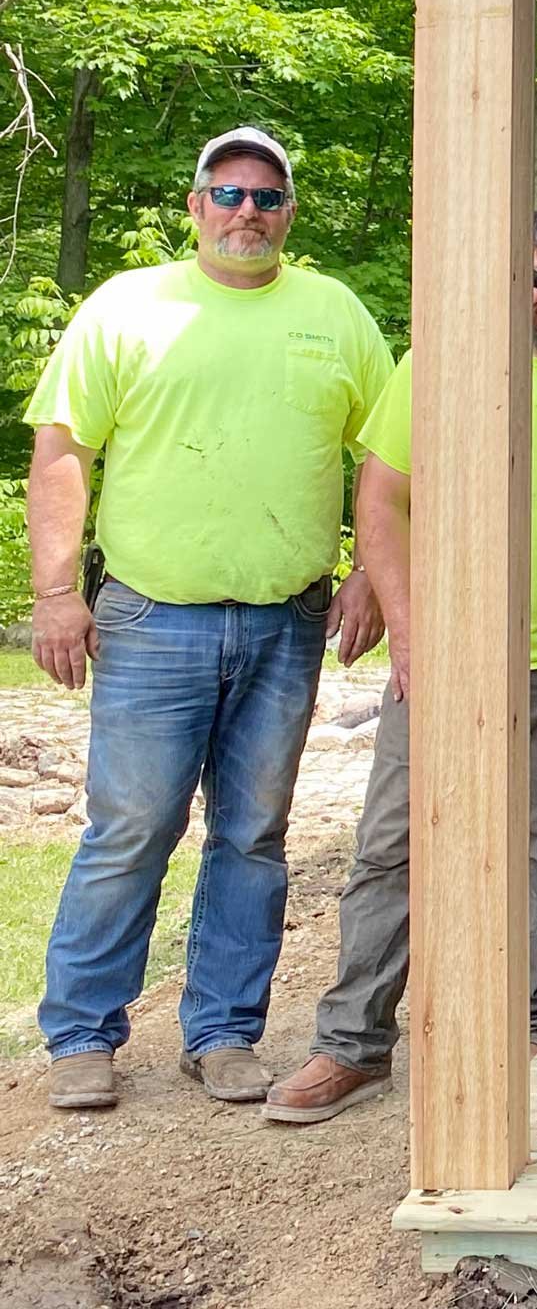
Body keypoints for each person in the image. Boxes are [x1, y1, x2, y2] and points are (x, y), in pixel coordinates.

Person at [261, 209, 537, 1123]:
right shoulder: (441, 368)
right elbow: (380, 502)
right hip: (445, 660)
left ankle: (521, 1027)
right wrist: (410, 633)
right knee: (391, 850)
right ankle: (353, 1044)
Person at [28, 127, 392, 1113]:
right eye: (226, 193)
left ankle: (224, 1031)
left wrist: (370, 574)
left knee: (253, 835)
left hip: (286, 621)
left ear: (290, 214)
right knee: (132, 825)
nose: (246, 212)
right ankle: (83, 1033)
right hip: (152, 620)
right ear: (194, 207)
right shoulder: (127, 309)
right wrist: (57, 590)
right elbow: (63, 450)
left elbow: (388, 451)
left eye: (266, 197)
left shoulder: (334, 314)